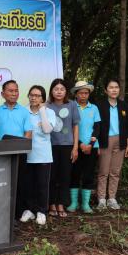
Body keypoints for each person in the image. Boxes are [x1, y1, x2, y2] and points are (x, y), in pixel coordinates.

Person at [0, 80, 32, 219]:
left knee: (20, 182)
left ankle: (18, 213)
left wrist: (22, 146)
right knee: (2, 183)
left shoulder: (24, 111)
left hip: (19, 154)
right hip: (1, 154)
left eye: (16, 90)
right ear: (3, 93)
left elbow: (28, 132)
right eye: (10, 91)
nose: (14, 93)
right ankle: (2, 213)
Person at [19, 85, 56, 225]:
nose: (33, 98)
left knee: (42, 184)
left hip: (43, 155)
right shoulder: (23, 111)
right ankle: (29, 209)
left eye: (37, 95)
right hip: (26, 153)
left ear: (43, 98)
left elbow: (47, 130)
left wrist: (42, 111)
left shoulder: (49, 112)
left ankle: (41, 211)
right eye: (31, 95)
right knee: (27, 184)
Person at [97, 79, 128, 210]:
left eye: (116, 87)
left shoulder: (124, 106)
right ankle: (101, 199)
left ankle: (112, 198)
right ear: (106, 90)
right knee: (103, 171)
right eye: (111, 87)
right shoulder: (100, 106)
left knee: (115, 171)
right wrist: (96, 144)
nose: (114, 90)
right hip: (105, 141)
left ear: (119, 89)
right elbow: (97, 126)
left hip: (121, 141)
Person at [47, 78, 80, 218]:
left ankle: (61, 204)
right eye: (56, 89)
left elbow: (75, 126)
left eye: (62, 89)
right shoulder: (47, 106)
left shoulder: (72, 105)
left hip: (68, 146)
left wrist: (75, 147)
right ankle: (51, 204)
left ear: (66, 91)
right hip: (50, 146)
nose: (59, 92)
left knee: (65, 176)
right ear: (52, 91)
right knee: (52, 176)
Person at [67, 81, 101, 214]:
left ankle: (85, 204)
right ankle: (74, 203)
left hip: (91, 147)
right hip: (75, 146)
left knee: (88, 175)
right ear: (76, 94)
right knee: (74, 174)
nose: (83, 95)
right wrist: (80, 144)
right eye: (81, 93)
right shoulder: (71, 107)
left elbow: (97, 127)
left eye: (86, 93)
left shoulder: (94, 108)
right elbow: (70, 127)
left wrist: (90, 144)